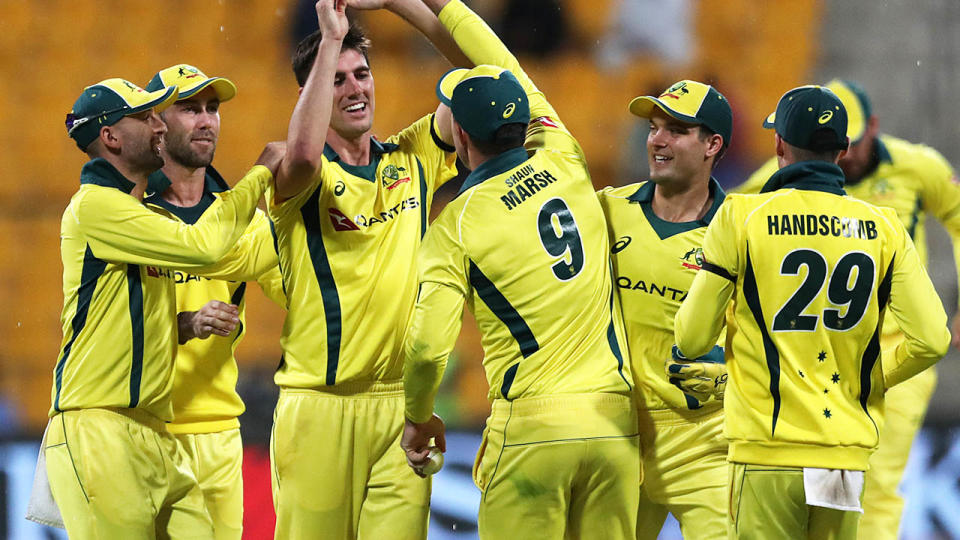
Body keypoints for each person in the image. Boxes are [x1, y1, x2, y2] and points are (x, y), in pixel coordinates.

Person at [398, 1, 639, 538]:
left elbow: (426, 348)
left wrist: (419, 416)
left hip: (533, 433)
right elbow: (500, 58)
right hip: (612, 427)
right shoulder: (563, 154)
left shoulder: (455, 226)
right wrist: (431, 5)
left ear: (459, 136)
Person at [674, 85, 950, 539]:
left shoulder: (741, 215)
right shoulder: (883, 227)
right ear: (843, 150)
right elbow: (933, 339)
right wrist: (877, 377)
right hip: (841, 459)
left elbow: (691, 339)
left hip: (767, 450)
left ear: (778, 145)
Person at [264, 0, 471, 537]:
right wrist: (330, 37)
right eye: (336, 81)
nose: (355, 88)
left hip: (402, 412)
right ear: (309, 95)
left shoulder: (413, 157)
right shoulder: (292, 174)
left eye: (362, 74)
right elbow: (305, 158)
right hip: (318, 410)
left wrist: (403, 6)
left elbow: (479, 76)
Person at [46, 78, 281, 538]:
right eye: (145, 117)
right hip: (99, 425)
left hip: (152, 430)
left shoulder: (132, 213)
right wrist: (261, 175)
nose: (158, 125)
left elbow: (130, 318)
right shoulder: (97, 207)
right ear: (110, 137)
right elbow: (203, 246)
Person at [140, 64, 286, 539]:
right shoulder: (130, 215)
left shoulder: (243, 218)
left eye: (212, 109)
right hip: (146, 430)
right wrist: (185, 323)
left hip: (222, 435)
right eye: (189, 108)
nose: (206, 120)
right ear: (156, 125)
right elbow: (108, 323)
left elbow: (305, 296)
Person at [597, 79, 731, 539]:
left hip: (702, 437)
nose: (656, 139)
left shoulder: (739, 233)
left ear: (713, 144)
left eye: (676, 129)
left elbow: (774, 336)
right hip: (614, 430)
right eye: (655, 127)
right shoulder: (605, 211)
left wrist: (734, 377)